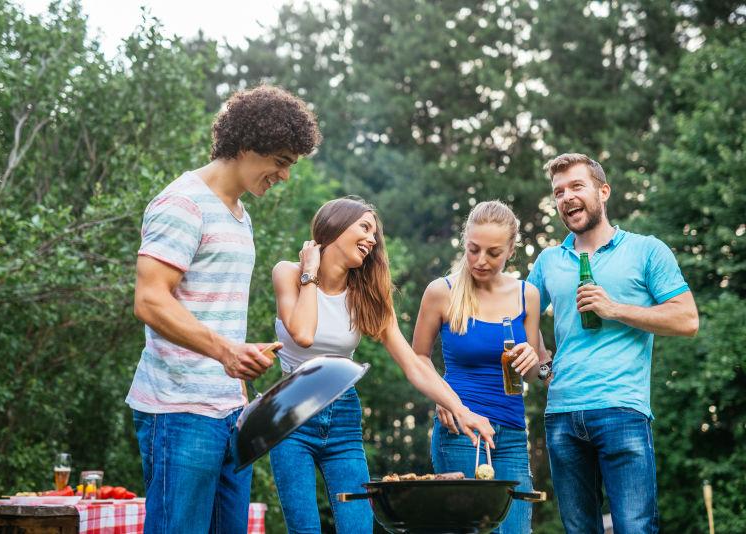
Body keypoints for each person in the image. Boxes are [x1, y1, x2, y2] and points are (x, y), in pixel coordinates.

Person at [126, 85, 321, 533]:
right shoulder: (182, 203)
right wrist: (226, 352)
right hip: (178, 410)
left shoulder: (238, 214)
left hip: (229, 411)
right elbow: (150, 299)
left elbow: (214, 310)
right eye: (281, 162)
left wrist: (238, 375)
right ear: (248, 145)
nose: (284, 176)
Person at [270, 197, 497, 533]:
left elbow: (413, 364)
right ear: (334, 224)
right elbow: (303, 334)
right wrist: (310, 272)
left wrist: (461, 410)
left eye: (374, 233)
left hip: (342, 414)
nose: (372, 239)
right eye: (364, 227)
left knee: (359, 527)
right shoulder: (288, 272)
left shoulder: (366, 294)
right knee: (304, 528)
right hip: (290, 412)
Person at [528, 153, 699, 533]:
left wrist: (615, 309)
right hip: (562, 414)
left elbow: (687, 319)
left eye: (576, 186)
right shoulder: (549, 260)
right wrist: (542, 363)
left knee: (635, 528)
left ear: (603, 192)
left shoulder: (646, 250)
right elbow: (521, 313)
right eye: (558, 192)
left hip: (622, 409)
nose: (566, 197)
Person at [412, 200, 542, 534]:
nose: (481, 260)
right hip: (459, 431)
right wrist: (442, 397)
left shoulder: (527, 295)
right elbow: (418, 358)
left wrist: (533, 358)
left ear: (511, 250)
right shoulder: (441, 292)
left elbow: (533, 372)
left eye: (493, 253)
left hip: (512, 434)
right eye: (473, 250)